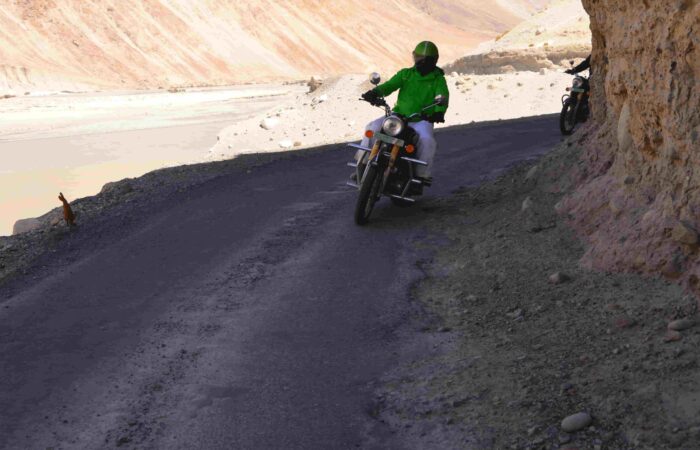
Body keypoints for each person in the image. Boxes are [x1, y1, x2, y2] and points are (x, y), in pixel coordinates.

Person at [354, 41, 449, 185]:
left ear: (432, 60)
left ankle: (421, 176)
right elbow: (390, 85)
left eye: (424, 59)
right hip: (398, 116)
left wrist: (438, 112)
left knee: (427, 140)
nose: (420, 61)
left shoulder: (438, 79)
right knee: (372, 127)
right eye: (417, 57)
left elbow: (442, 97)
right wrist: (374, 93)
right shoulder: (406, 74)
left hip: (421, 120)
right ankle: (362, 164)